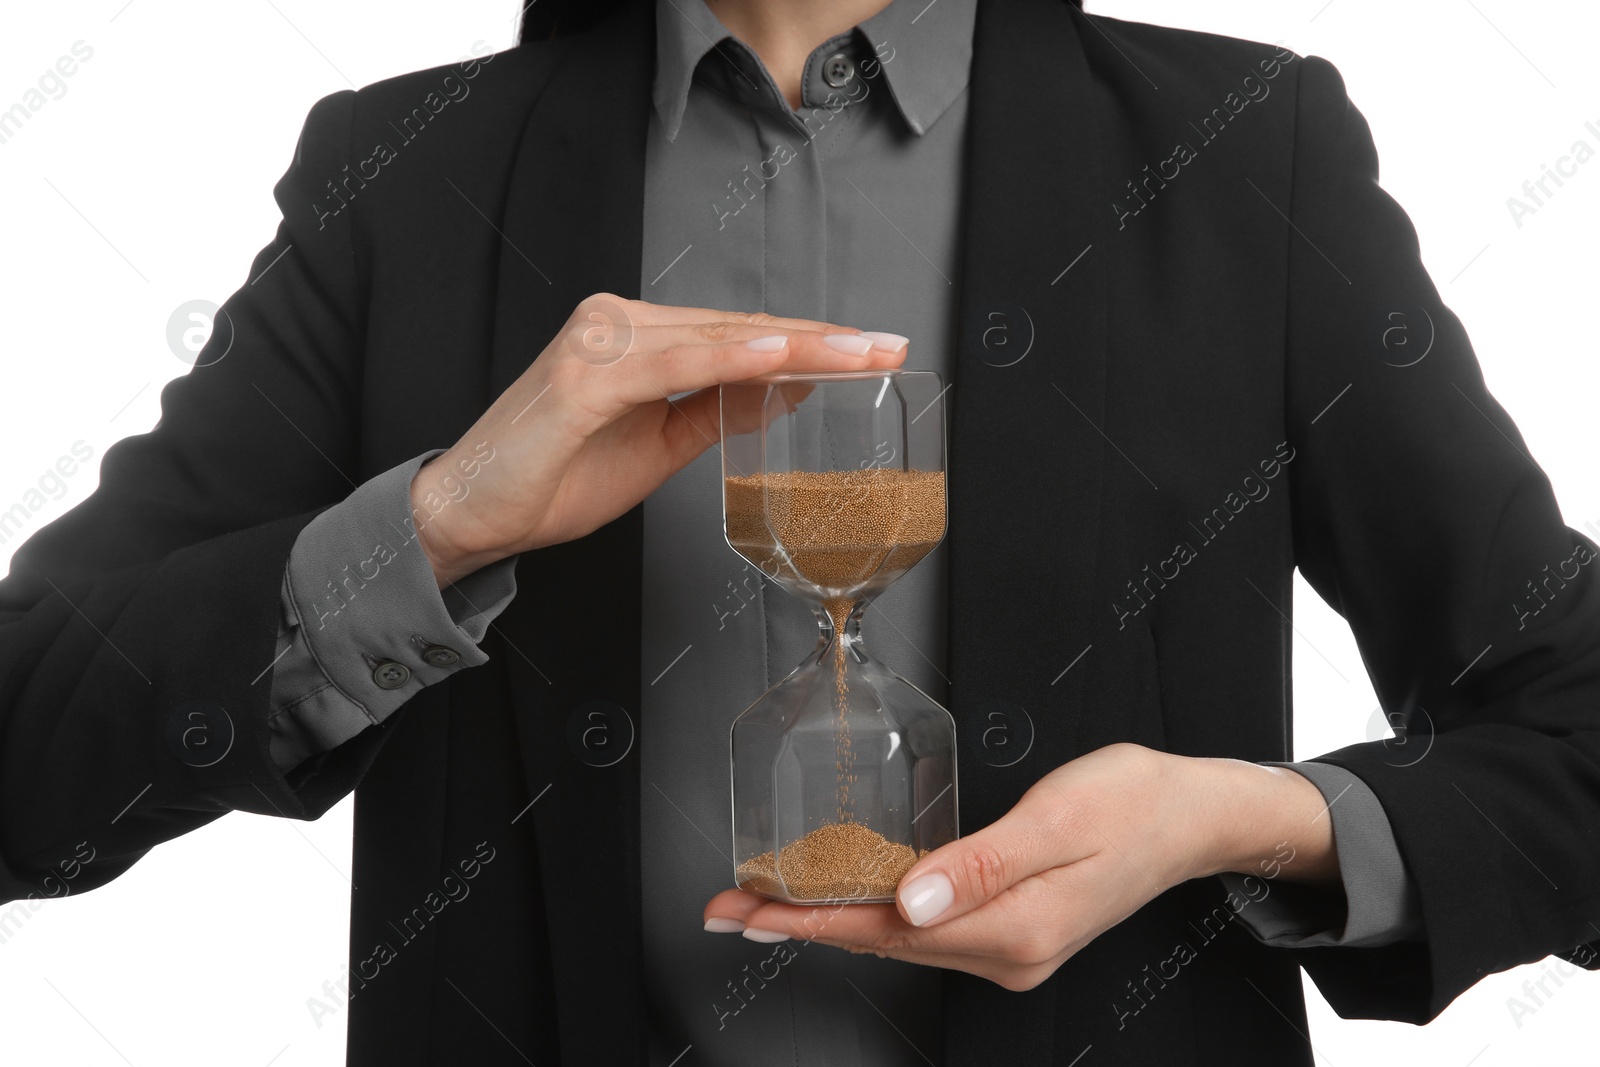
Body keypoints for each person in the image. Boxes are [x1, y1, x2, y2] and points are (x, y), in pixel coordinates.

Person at [3, 0, 1597, 1063]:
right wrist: (427, 528)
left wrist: (1250, 823)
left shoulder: (1244, 147)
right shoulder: (403, 176)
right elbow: (22, 751)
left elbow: (1576, 729)